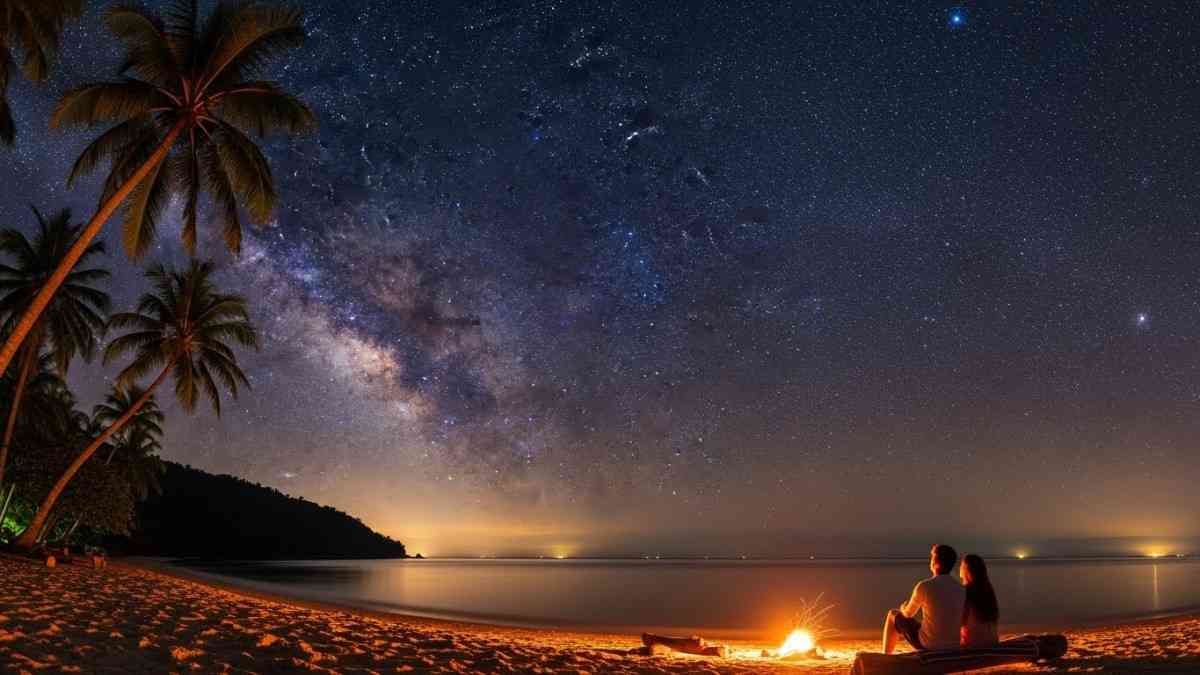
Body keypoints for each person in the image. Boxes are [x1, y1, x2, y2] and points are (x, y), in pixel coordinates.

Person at [882, 544, 965, 653]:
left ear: (935, 563)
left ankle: (886, 656)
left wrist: (903, 608)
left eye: (932, 558)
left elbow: (908, 614)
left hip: (930, 644)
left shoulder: (925, 586)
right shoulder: (961, 589)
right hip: (954, 644)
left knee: (892, 614)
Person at [960, 554, 1000, 647]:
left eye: (961, 566)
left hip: (973, 643)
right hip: (993, 640)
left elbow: (961, 621)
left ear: (966, 569)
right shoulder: (988, 590)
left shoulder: (966, 591)